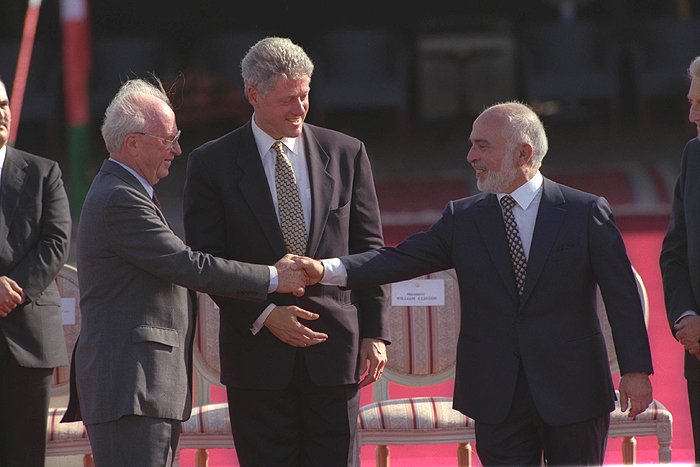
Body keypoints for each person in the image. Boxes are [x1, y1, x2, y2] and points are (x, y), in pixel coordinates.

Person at [295, 101, 655, 466]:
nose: (471, 156)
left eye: (483, 146)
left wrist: (635, 370)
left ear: (523, 153)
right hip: (496, 395)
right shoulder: (463, 219)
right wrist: (324, 270)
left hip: (573, 390)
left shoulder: (584, 212)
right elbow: (397, 259)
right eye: (471, 145)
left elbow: (621, 295)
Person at [60, 77, 314, 467]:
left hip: (140, 387)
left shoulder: (125, 190)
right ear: (132, 143)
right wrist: (273, 276)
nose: (177, 149)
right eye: (168, 139)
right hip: (132, 386)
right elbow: (187, 265)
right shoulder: (119, 199)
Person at [182, 36, 389, 467]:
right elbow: (207, 261)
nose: (300, 109)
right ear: (253, 95)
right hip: (257, 360)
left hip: (335, 353)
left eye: (305, 95)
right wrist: (263, 314)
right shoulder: (211, 164)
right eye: (287, 100)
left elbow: (370, 250)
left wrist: (375, 332)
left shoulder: (347, 153)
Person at [0, 78, 71, 466]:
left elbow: (56, 243)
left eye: (3, 104)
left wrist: (13, 291)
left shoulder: (43, 172)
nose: (1, 113)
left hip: (28, 340)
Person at [659, 54, 700, 464]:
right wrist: (686, 317)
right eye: (691, 102)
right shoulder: (694, 156)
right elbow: (675, 251)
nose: (692, 116)